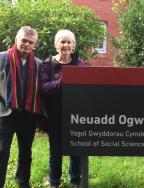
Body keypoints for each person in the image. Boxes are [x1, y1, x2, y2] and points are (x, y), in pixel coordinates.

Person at [41, 29, 86, 188]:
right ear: (56, 44)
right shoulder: (48, 64)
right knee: (55, 152)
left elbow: (85, 88)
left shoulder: (80, 63)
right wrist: (65, 80)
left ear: (73, 45)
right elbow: (44, 88)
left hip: (75, 116)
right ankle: (54, 182)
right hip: (54, 116)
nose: (66, 45)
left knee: (76, 151)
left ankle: (75, 180)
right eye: (62, 41)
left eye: (69, 42)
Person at [0, 26, 43, 188]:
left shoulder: (38, 64)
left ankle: (23, 181)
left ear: (34, 45)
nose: (26, 44)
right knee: (2, 150)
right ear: (16, 40)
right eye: (23, 40)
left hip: (28, 114)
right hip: (6, 113)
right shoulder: (2, 58)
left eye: (30, 42)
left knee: (26, 151)